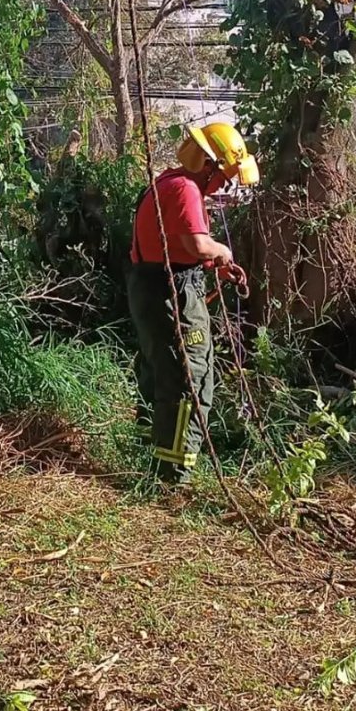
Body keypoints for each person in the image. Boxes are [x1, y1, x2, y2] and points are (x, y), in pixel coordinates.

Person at [127, 121, 260, 484]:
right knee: (190, 375)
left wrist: (213, 265)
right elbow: (197, 245)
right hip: (173, 292)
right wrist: (222, 251)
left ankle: (146, 454)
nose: (223, 185)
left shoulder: (165, 183)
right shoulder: (185, 189)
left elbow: (174, 246)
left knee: (160, 370)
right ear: (208, 163)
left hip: (153, 285)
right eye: (224, 176)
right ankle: (174, 473)